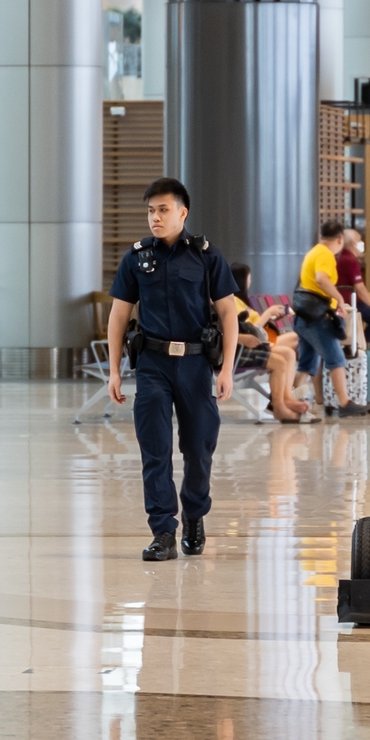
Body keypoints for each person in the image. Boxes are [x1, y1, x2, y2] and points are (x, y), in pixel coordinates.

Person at [106, 178, 240, 561]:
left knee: (198, 447)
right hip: (152, 365)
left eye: (163, 210)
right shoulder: (136, 258)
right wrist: (115, 371)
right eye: (151, 210)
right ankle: (163, 530)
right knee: (155, 448)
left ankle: (194, 516)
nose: (155, 218)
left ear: (183, 213)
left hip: (196, 364)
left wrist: (227, 369)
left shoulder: (206, 256)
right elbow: (118, 317)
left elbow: (228, 314)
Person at [292, 221, 370, 419]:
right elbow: (321, 278)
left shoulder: (313, 252)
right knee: (336, 358)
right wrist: (338, 298)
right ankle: (345, 402)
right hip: (317, 317)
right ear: (339, 239)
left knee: (307, 363)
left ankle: (288, 400)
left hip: (304, 316)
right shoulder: (325, 255)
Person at [229, 263, 314, 424]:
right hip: (248, 345)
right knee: (296, 340)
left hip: (255, 341)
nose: (250, 280)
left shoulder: (240, 301)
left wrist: (272, 318)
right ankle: (281, 402)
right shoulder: (232, 301)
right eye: (248, 277)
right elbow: (250, 330)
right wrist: (267, 313)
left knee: (290, 350)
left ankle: (286, 397)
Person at [337, 229, 370, 344]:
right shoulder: (350, 260)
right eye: (359, 240)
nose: (362, 243)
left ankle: (361, 343)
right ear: (352, 243)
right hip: (350, 302)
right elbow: (360, 287)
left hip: (345, 300)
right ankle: (362, 344)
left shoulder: (342, 258)